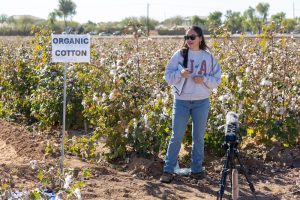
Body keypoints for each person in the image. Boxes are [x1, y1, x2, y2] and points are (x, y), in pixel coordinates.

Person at [160, 26, 222, 183]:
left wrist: (205, 79)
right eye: (187, 37)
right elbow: (167, 77)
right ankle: (168, 170)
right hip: (181, 101)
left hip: (201, 101)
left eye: (192, 37)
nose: (189, 40)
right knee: (177, 136)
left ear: (200, 38)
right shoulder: (179, 55)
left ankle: (196, 170)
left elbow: (217, 80)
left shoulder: (209, 58)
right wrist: (179, 74)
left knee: (199, 137)